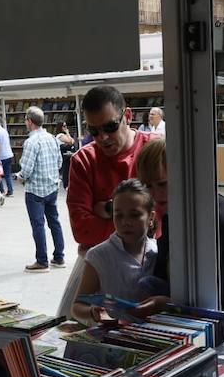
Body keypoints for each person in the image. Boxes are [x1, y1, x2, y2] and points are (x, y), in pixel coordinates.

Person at [133, 137, 224, 347]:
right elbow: (162, 279)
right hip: (192, 337)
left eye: (162, 184)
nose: (155, 194)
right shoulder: (173, 217)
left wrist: (170, 305)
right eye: (147, 186)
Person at [61, 85, 154, 316]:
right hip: (95, 269)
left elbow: (167, 218)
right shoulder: (83, 160)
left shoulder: (153, 150)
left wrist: (106, 210)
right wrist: (139, 221)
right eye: (94, 130)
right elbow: (82, 230)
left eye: (110, 127)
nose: (103, 137)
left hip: (151, 265)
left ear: (128, 116)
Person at [71, 179, 159, 324]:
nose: (126, 222)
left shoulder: (158, 252)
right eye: (119, 215)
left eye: (134, 215)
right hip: (113, 339)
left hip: (156, 336)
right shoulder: (98, 256)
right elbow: (77, 306)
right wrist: (92, 311)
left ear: (151, 218)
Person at [18, 106, 66, 272]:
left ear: (30, 122)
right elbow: (59, 163)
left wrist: (19, 177)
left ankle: (42, 261)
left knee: (38, 225)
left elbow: (26, 169)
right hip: (52, 187)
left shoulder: (31, 142)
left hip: (35, 190)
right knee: (55, 222)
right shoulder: (52, 138)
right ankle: (59, 257)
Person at [56, 122, 78, 189]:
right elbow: (70, 141)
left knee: (69, 169)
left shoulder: (64, 135)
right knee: (66, 170)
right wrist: (68, 133)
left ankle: (69, 184)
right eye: (64, 126)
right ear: (60, 127)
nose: (66, 128)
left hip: (67, 155)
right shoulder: (60, 135)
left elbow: (73, 141)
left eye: (66, 126)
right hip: (63, 156)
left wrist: (68, 135)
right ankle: (66, 185)